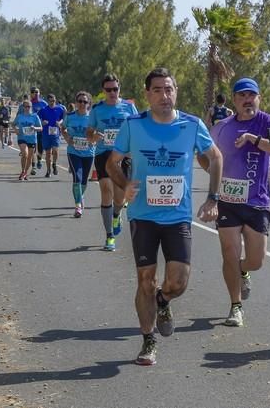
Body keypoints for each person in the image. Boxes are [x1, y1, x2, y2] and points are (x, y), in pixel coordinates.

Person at [107, 67, 223, 366]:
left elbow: (216, 157)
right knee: (145, 280)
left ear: (176, 92)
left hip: (178, 216)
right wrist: (124, 184)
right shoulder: (133, 126)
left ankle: (164, 300)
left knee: (178, 282)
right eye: (157, 90)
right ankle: (148, 341)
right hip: (143, 216)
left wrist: (213, 198)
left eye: (169, 89)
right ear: (147, 94)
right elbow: (112, 163)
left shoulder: (191, 125)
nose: (164, 95)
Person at [206, 78, 270, 327]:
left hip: (257, 201)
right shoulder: (222, 127)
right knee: (229, 252)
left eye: (252, 95)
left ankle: (243, 270)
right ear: (235, 101)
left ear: (258, 98)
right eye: (242, 96)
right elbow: (204, 152)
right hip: (227, 200)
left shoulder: (267, 122)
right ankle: (235, 306)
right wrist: (213, 173)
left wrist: (252, 138)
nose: (247, 100)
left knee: (256, 260)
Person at [87, 74, 139, 251]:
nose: (112, 92)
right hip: (103, 153)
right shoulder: (97, 110)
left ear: (119, 89)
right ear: (103, 91)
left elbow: (137, 129)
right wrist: (93, 137)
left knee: (119, 196)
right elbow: (89, 133)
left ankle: (116, 214)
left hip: (123, 156)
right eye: (108, 90)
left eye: (115, 89)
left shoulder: (129, 108)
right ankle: (109, 236)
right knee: (106, 189)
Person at [61, 91, 95, 217]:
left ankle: (80, 195)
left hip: (88, 153)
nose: (82, 104)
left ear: (89, 104)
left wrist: (94, 140)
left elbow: (97, 132)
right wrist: (67, 138)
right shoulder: (70, 116)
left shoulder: (92, 118)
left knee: (84, 180)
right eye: (79, 101)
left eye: (84, 102)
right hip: (73, 152)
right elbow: (62, 128)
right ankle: (78, 206)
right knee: (77, 177)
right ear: (76, 103)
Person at [13, 100, 42, 180]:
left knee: (29, 157)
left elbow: (40, 128)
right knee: (25, 154)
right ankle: (22, 171)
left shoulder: (35, 116)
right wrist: (16, 130)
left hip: (32, 139)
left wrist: (35, 128)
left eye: (28, 106)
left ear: (31, 107)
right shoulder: (20, 116)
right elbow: (13, 124)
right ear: (23, 107)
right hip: (22, 137)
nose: (27, 108)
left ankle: (25, 172)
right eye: (25, 106)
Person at [38, 94, 66, 177]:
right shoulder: (43, 110)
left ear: (55, 100)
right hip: (46, 133)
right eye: (50, 101)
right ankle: (48, 171)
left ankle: (54, 164)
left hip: (55, 133)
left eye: (53, 101)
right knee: (48, 153)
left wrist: (59, 123)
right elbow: (37, 119)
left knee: (55, 150)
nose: (52, 102)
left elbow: (63, 119)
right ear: (48, 101)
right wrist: (42, 123)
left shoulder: (60, 109)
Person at [29, 87, 49, 174]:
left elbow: (48, 114)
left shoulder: (44, 103)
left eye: (37, 92)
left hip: (41, 128)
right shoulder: (29, 103)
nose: (35, 93)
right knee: (32, 147)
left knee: (40, 146)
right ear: (31, 94)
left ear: (39, 93)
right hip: (31, 129)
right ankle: (33, 166)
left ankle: (39, 159)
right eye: (33, 92)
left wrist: (45, 122)